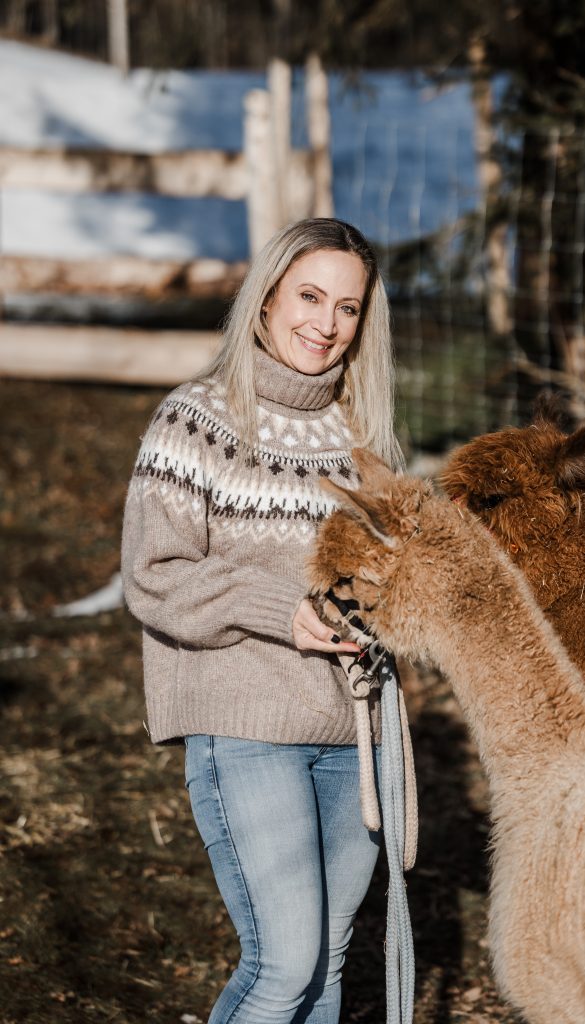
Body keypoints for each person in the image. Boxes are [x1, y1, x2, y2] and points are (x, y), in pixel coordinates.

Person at [121, 217, 404, 1023]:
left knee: (328, 964)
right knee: (283, 965)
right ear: (268, 297)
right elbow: (153, 576)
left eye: (347, 309)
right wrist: (278, 610)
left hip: (354, 730)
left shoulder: (362, 437)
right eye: (310, 296)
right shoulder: (196, 421)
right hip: (245, 723)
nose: (325, 324)